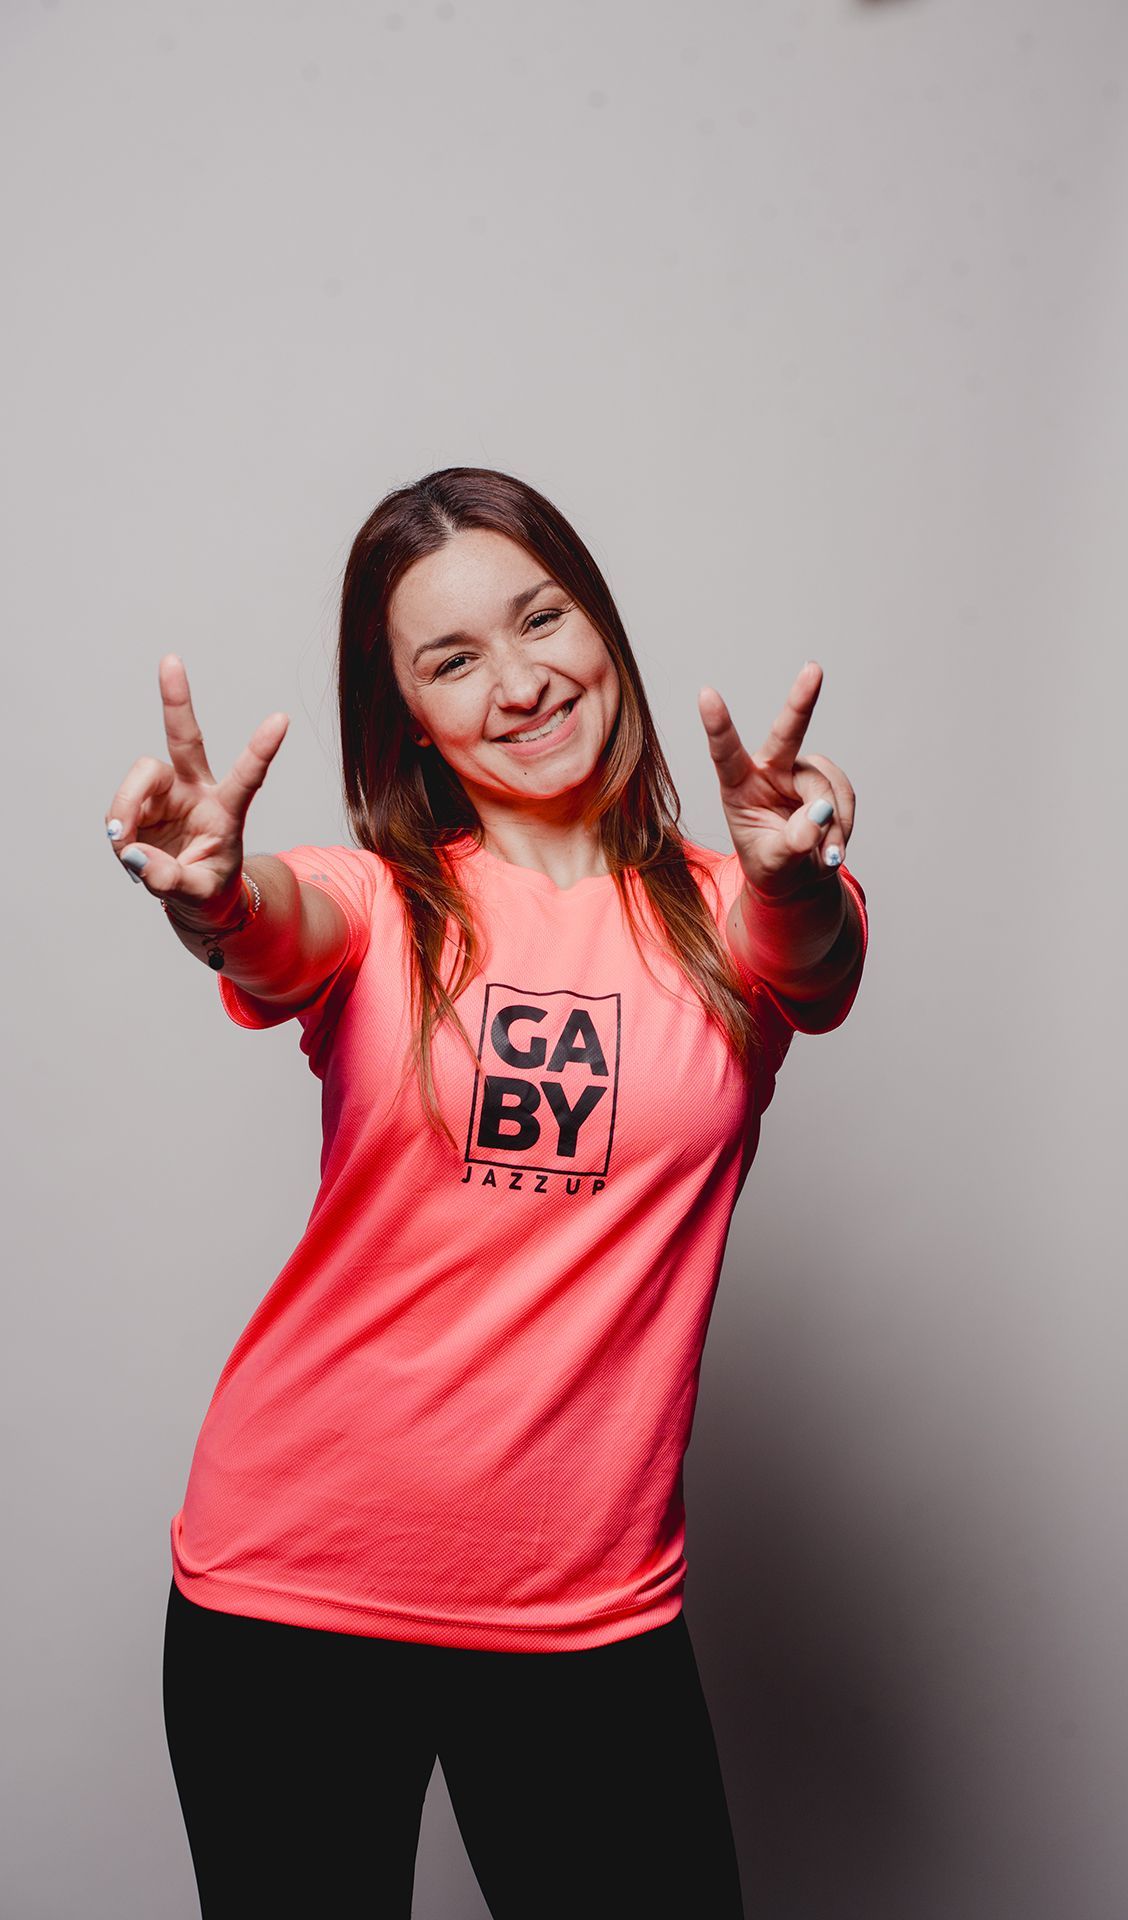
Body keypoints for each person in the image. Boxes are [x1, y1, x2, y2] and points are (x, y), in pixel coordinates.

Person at [106, 467, 868, 1919]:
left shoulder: (735, 916)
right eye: (453, 658)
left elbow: (812, 961)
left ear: (602, 627)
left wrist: (797, 872)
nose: (519, 683)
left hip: (587, 1615)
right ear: (406, 715)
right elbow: (275, 933)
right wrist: (213, 898)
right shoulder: (377, 903)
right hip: (290, 1593)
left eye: (542, 618)